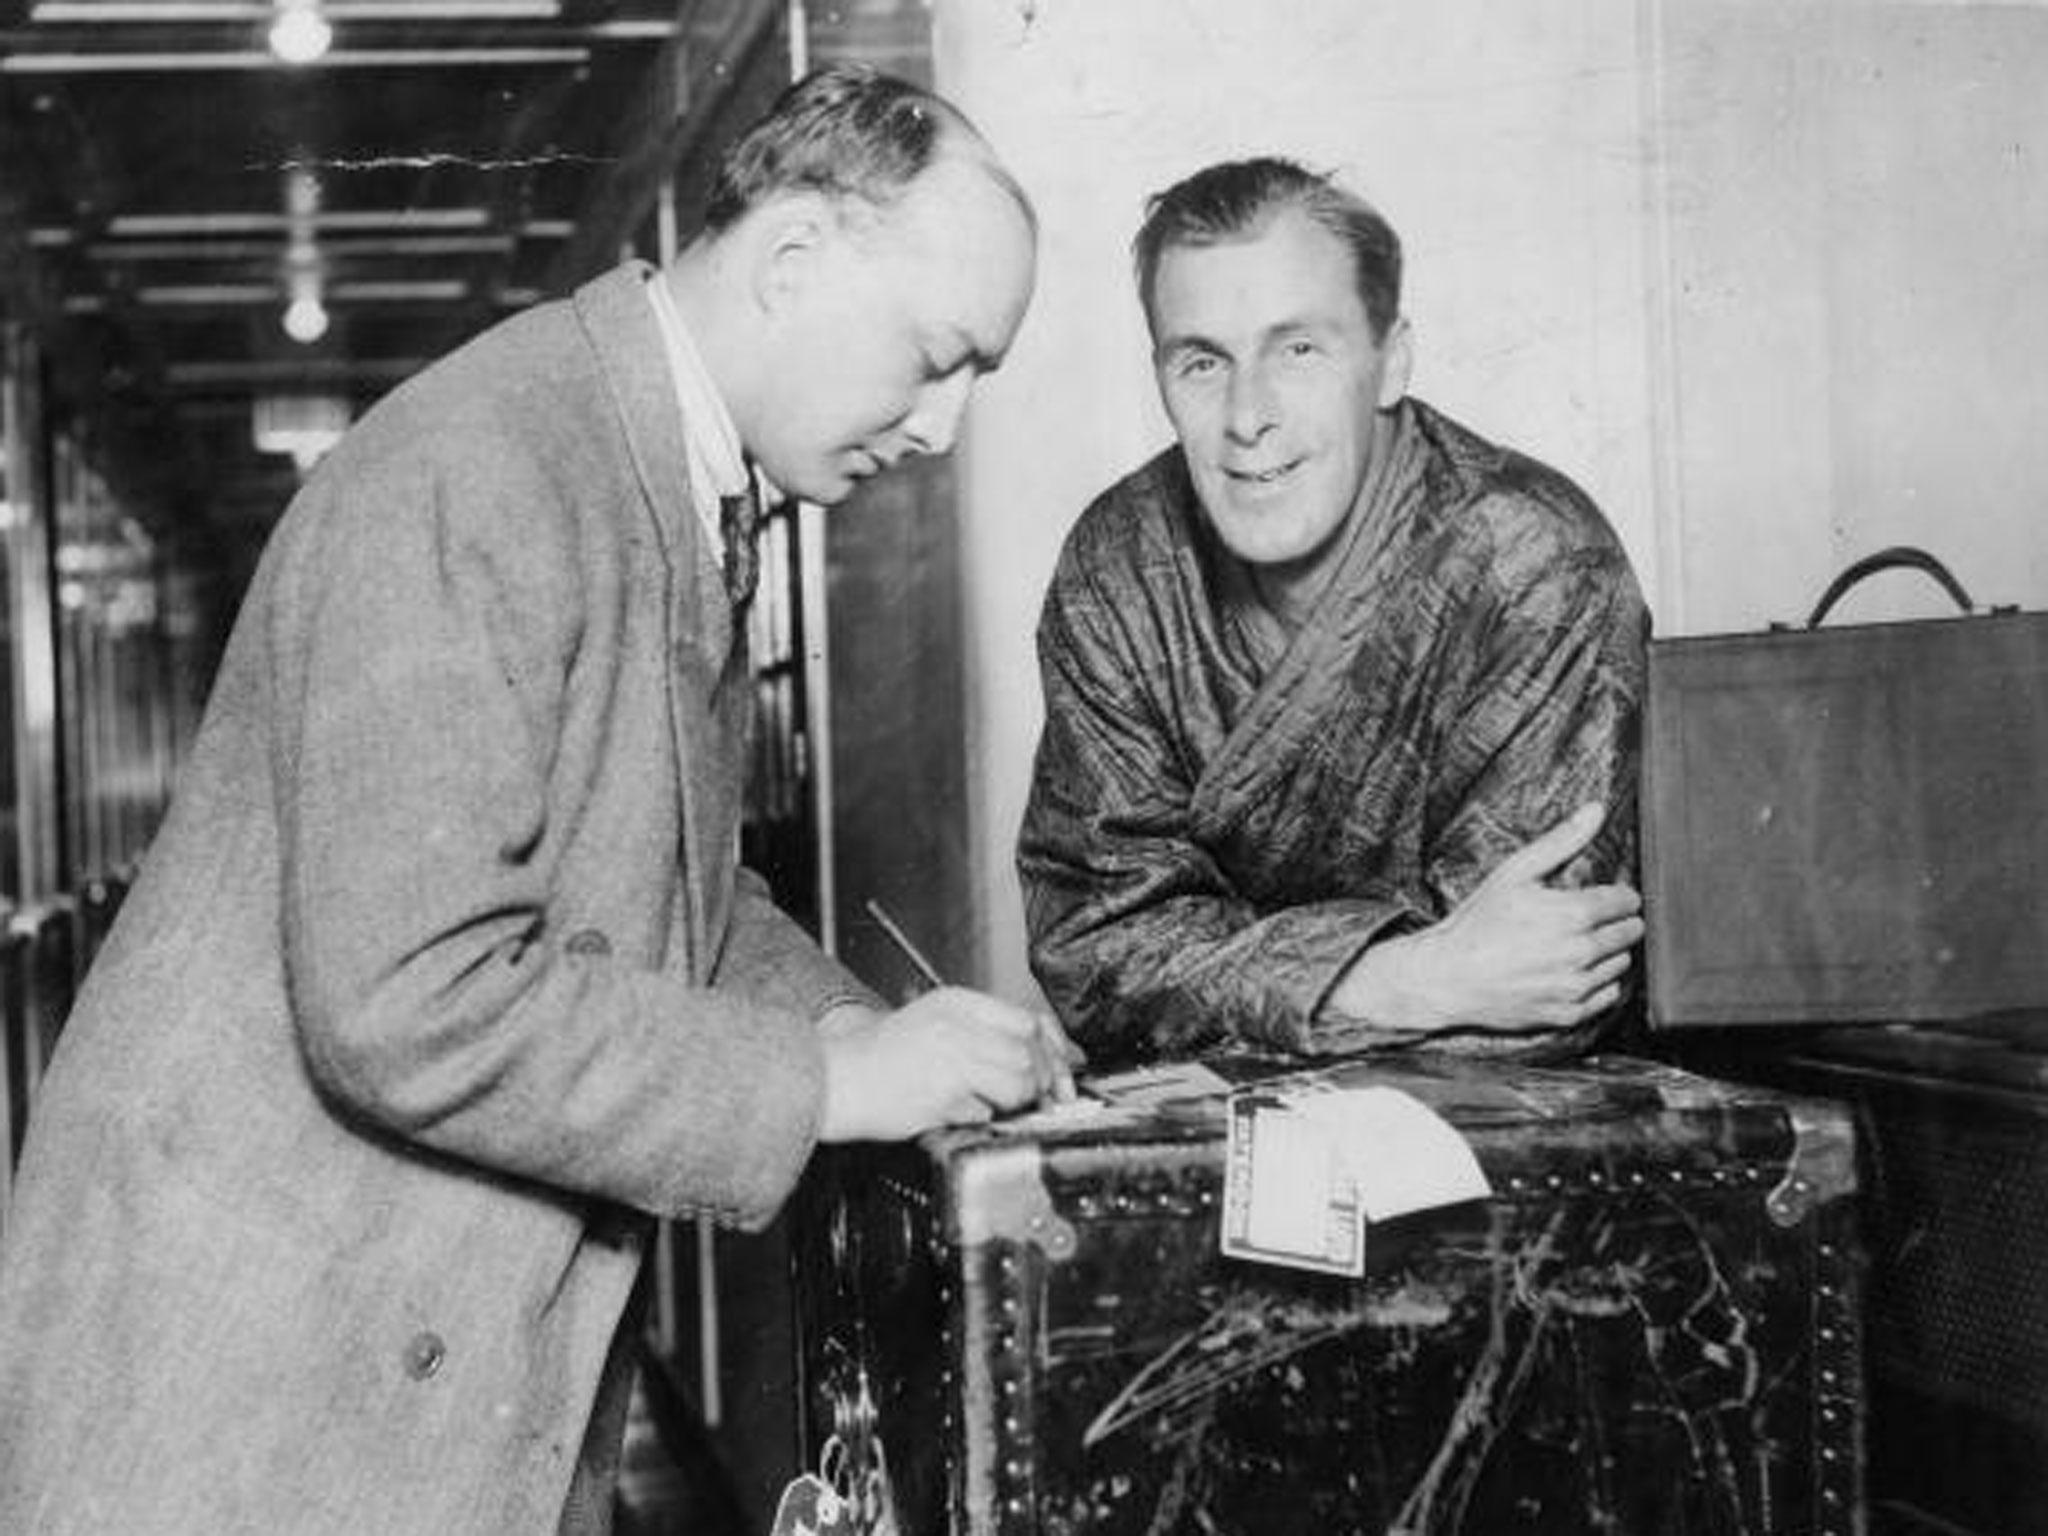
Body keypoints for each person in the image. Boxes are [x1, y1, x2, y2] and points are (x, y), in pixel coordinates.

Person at [0, 66, 1072, 1536]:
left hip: (374, 1346)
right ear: (797, 260)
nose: (945, 427)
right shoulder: (485, 469)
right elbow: (407, 998)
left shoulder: (648, 471)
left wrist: (870, 1035)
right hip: (253, 1389)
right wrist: (829, 1087)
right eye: (938, 355)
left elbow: (672, 879)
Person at [1018, 156, 1647, 1067]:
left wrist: (1234, 975)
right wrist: (1413, 978)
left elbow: (1546, 982)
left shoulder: (1533, 561)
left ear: (1391, 359)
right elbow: (1093, 955)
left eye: (1299, 350)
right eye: (1202, 363)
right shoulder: (1119, 566)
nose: (1247, 417)